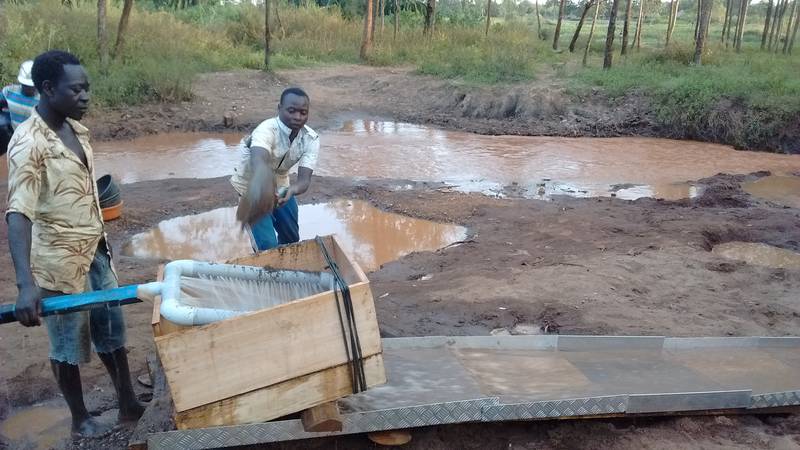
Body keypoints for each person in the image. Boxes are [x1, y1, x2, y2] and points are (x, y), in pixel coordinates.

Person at [6, 50, 144, 438]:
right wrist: (25, 285)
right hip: (59, 262)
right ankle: (80, 419)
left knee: (112, 329)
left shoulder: (76, 130)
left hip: (96, 252)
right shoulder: (28, 143)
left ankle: (128, 403)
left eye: (87, 89)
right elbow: (18, 213)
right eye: (76, 89)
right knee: (68, 344)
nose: (85, 97)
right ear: (48, 89)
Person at [231, 87, 320, 251]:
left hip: (281, 184)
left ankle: (285, 269)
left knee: (291, 238)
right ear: (279, 108)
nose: (297, 117)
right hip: (254, 184)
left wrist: (291, 190)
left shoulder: (310, 139)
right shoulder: (266, 130)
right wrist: (265, 188)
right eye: (291, 111)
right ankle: (267, 271)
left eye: (303, 112)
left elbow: (304, 181)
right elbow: (259, 160)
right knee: (267, 245)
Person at [1, 61, 39, 155]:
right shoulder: (8, 92)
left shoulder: (43, 100)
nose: (29, 88)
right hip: (10, 138)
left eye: (31, 86)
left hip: (31, 143)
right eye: (25, 85)